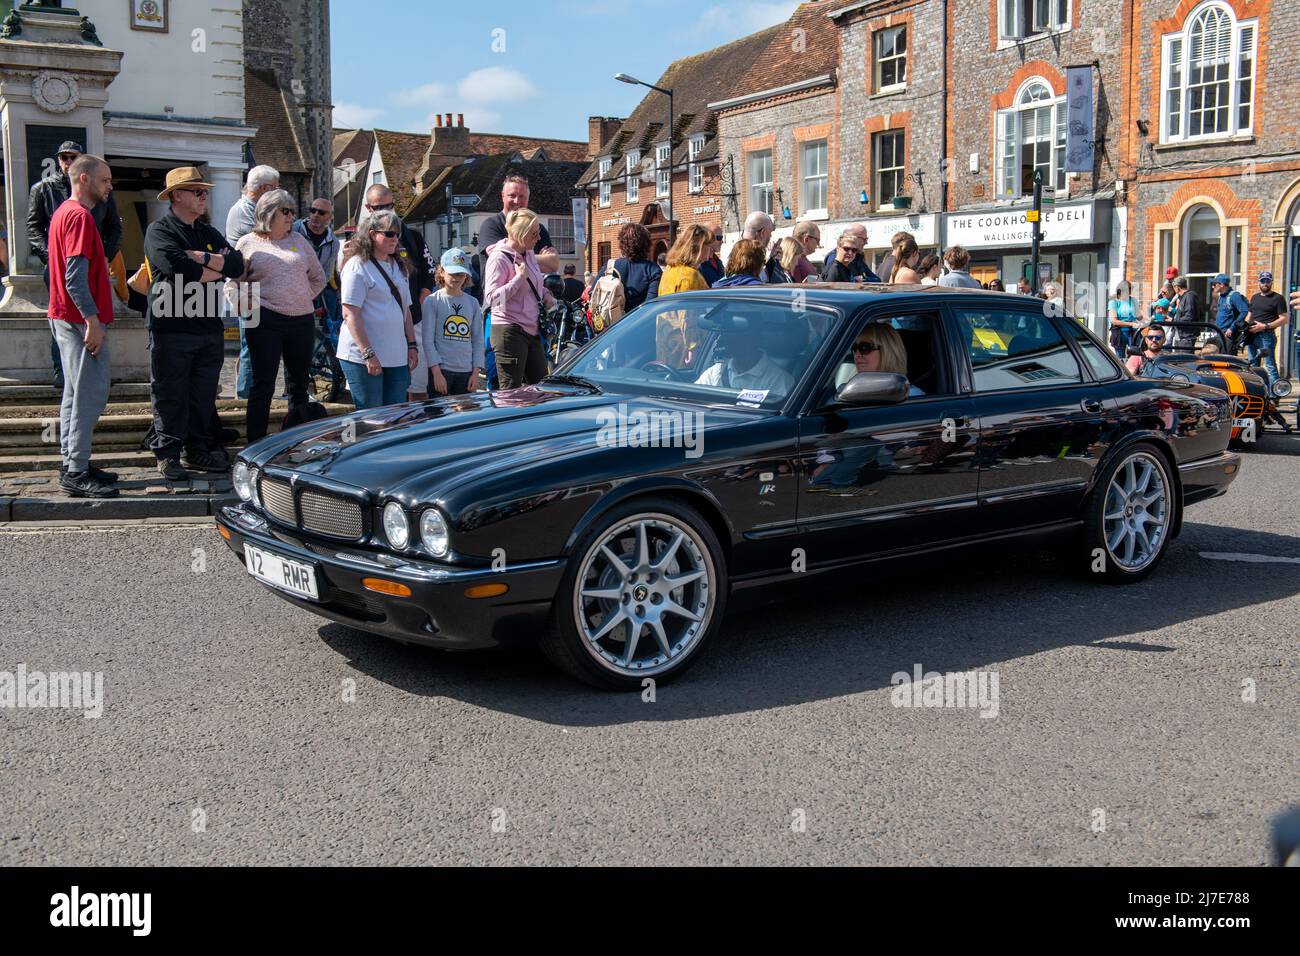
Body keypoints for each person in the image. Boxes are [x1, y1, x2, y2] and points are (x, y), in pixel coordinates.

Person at [144, 166, 246, 480]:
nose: (205, 196)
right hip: (171, 327)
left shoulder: (208, 232)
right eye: (197, 191)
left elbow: (238, 265)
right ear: (177, 195)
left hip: (207, 327)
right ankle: (169, 453)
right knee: (170, 393)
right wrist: (215, 266)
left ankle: (198, 448)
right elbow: (177, 269)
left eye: (205, 191)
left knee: (203, 394)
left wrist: (200, 258)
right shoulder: (160, 231)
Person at [47, 155, 118, 498]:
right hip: (79, 320)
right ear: (85, 179)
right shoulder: (79, 217)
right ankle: (76, 470)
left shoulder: (63, 212)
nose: (109, 186)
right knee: (89, 393)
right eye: (104, 180)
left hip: (66, 316)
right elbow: (74, 278)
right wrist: (92, 321)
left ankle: (73, 462)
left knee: (74, 393)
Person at [28, 140, 122, 389]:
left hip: (86, 268)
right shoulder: (51, 195)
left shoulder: (93, 202)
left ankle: (68, 377)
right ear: (84, 177)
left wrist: (104, 257)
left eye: (73, 156)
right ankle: (62, 372)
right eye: (64, 157)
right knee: (85, 388)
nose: (67, 160)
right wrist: (52, 256)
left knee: (77, 389)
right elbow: (34, 227)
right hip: (71, 278)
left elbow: (114, 227)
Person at [235, 190, 326, 442]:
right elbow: (235, 282)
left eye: (292, 211)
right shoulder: (247, 243)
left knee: (298, 384)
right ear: (268, 213)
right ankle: (255, 442)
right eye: (285, 211)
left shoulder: (298, 239)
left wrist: (302, 296)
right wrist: (249, 305)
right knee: (263, 384)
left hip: (301, 320)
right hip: (265, 320)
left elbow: (318, 276)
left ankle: (295, 441)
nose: (291, 217)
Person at [356, 185, 436, 399]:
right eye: (379, 206)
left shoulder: (411, 235)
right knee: (381, 395)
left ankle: (417, 426)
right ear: (368, 208)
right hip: (376, 328)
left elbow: (430, 270)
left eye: (389, 205)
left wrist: (423, 296)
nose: (386, 210)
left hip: (412, 319)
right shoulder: (360, 242)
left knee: (417, 385)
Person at [337, 210, 419, 408]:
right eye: (389, 234)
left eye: (397, 234)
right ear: (373, 235)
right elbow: (350, 313)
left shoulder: (400, 266)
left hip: (396, 355)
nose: (395, 239)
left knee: (395, 416)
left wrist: (412, 345)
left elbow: (405, 310)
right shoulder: (357, 266)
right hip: (362, 357)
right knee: (371, 418)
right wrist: (368, 353)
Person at [483, 208, 556, 389]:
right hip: (509, 330)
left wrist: (546, 295)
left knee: (541, 388)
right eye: (534, 234)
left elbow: (534, 284)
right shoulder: (498, 258)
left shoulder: (529, 253)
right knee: (511, 392)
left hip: (532, 330)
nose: (538, 238)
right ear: (520, 234)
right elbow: (493, 300)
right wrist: (518, 279)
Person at [224, 165, 279, 401]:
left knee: (256, 345)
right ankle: (246, 398)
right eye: (275, 189)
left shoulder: (251, 209)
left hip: (256, 286)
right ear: (264, 188)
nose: (277, 194)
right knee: (252, 346)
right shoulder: (244, 211)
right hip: (247, 287)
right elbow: (266, 238)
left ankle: (249, 393)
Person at [293, 197, 344, 401]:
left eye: (321, 213)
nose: (315, 215)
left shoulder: (333, 242)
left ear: (329, 218)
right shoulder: (295, 231)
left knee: (328, 325)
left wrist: (312, 293)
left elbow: (325, 272)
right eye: (312, 210)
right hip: (291, 289)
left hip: (315, 288)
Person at [422, 249, 484, 396]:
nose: (457, 278)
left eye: (461, 274)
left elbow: (477, 340)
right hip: (441, 370)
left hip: (467, 371)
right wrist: (436, 372)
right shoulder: (432, 301)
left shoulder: (473, 303)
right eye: (452, 273)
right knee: (438, 415)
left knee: (464, 416)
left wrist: (476, 372)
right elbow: (428, 340)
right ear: (442, 272)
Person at [475, 173, 561, 274]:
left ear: (528, 198)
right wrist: (539, 259)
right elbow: (501, 258)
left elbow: (553, 265)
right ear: (502, 196)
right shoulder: (491, 225)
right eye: (512, 195)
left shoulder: (537, 228)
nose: (517, 201)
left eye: (522, 196)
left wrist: (516, 257)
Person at [694, 321, 795, 397]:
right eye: (725, 333)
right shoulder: (717, 371)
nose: (722, 339)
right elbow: (693, 398)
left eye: (732, 333)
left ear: (752, 338)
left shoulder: (779, 381)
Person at [837, 323, 923, 396]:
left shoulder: (910, 395)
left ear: (887, 351)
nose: (857, 354)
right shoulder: (852, 389)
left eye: (864, 347)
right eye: (854, 348)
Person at [599, 223, 661, 311]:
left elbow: (593, 292)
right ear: (647, 244)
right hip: (638, 321)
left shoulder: (610, 266)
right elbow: (650, 306)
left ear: (622, 244)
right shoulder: (653, 270)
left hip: (612, 322)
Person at [1245, 270, 1287, 387]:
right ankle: (1256, 392)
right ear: (1259, 282)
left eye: (1267, 281)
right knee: (1253, 366)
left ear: (1271, 282)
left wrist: (1265, 326)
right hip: (1252, 335)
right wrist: (1243, 328)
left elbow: (1284, 319)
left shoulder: (1278, 298)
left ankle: (1274, 394)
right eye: (1263, 281)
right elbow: (1249, 315)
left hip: (1266, 336)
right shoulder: (1254, 297)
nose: (1265, 283)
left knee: (1269, 365)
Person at [659, 224, 712, 296]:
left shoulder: (670, 268)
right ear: (700, 247)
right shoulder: (690, 275)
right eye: (709, 246)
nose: (711, 250)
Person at [1211, 273, 1250, 352]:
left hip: (1228, 336)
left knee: (1227, 361)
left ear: (1221, 285)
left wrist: (1232, 328)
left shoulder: (1234, 296)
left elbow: (1244, 311)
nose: (1213, 286)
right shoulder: (1221, 297)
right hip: (1219, 334)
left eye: (1214, 284)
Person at [1107, 281, 1143, 357]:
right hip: (1119, 333)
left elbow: (1138, 316)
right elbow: (1114, 321)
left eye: (1130, 290)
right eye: (1128, 290)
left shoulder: (1133, 300)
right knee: (1120, 359)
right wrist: (1131, 324)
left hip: (1133, 332)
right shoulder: (1113, 302)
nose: (1129, 292)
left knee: (1135, 356)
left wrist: (1147, 320)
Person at [741, 211, 775, 279]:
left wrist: (771, 261)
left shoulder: (737, 252)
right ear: (763, 232)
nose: (770, 236)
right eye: (770, 232)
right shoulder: (748, 257)